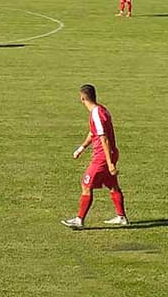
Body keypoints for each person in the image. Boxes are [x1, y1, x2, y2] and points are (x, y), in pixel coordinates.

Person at [61, 84, 128, 229]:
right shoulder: (102, 110)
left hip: (102, 157)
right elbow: (93, 133)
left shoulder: (96, 113)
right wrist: (81, 148)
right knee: (112, 185)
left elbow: (103, 138)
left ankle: (79, 220)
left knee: (86, 185)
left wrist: (109, 163)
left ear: (82, 98)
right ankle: (121, 216)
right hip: (110, 153)